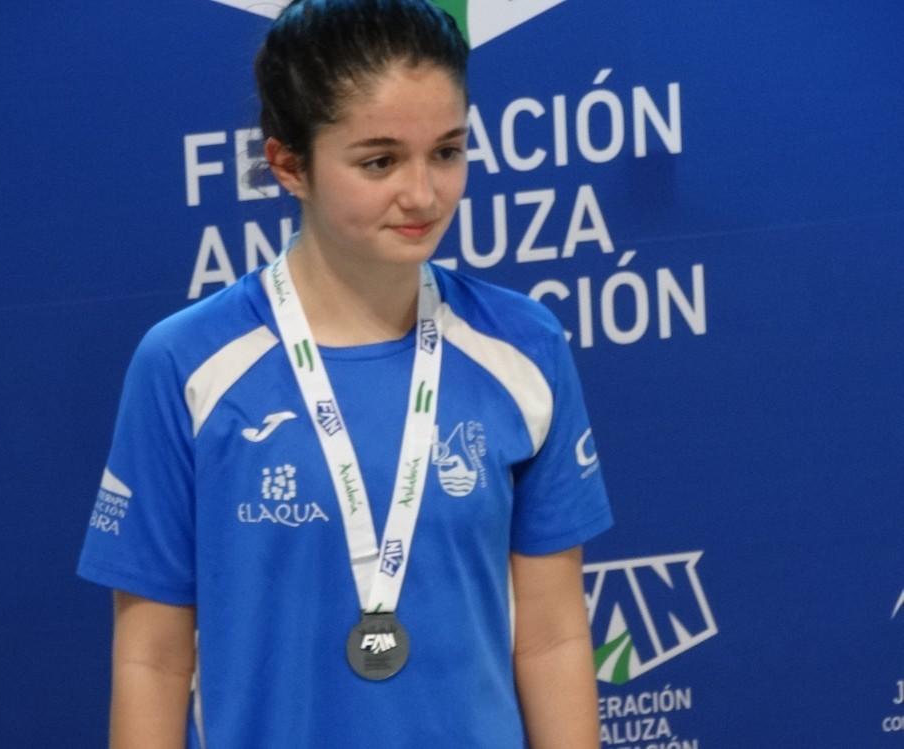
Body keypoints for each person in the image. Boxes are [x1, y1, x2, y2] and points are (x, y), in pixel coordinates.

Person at [77, 1, 613, 746]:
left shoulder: (523, 345)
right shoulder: (187, 363)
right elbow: (151, 658)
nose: (423, 194)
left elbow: (551, 636)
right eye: (379, 160)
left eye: (448, 151)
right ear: (289, 165)